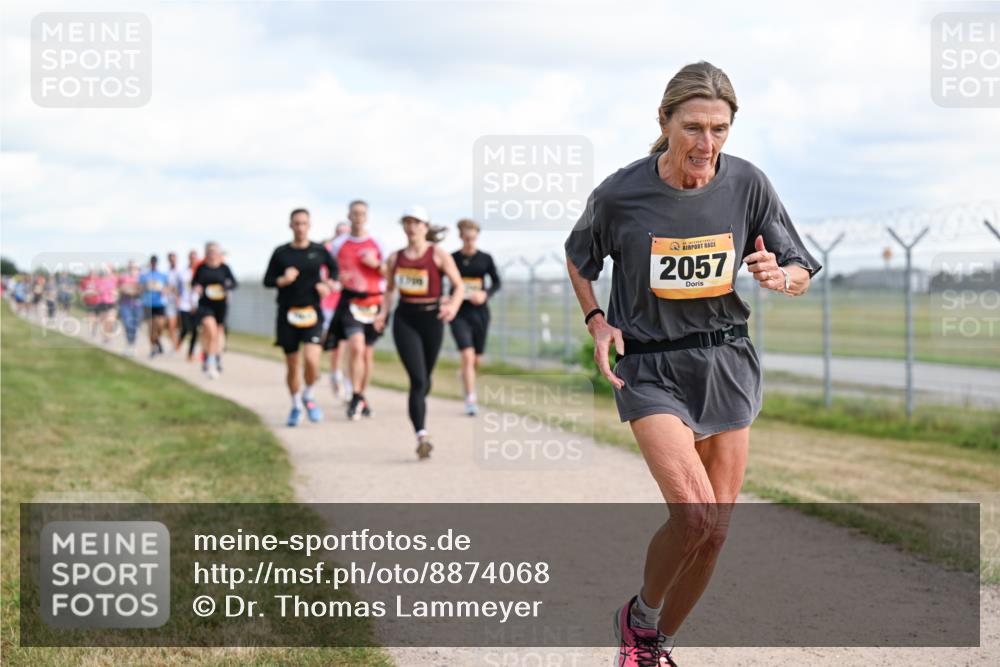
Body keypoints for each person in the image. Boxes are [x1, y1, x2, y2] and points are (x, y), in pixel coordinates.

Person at [564, 61, 820, 667]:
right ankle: (639, 619)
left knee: (716, 533)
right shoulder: (621, 193)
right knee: (695, 513)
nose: (707, 144)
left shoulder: (747, 184)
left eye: (721, 130)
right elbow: (580, 257)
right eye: (695, 128)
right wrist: (596, 320)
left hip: (725, 361)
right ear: (665, 122)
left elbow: (800, 265)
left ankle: (657, 648)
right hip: (648, 366)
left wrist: (781, 277)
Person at [374, 206, 464, 460]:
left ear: (425, 226)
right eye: (407, 222)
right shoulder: (395, 258)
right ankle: (421, 435)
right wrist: (383, 314)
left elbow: (458, 286)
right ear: (403, 226)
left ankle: (419, 410)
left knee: (426, 378)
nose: (411, 226)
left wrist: (453, 306)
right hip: (405, 319)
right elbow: (390, 290)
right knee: (418, 379)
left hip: (432, 319)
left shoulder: (438, 255)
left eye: (416, 222)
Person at [263, 208, 339, 427]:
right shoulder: (281, 253)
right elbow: (267, 280)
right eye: (296, 223)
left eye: (304, 223)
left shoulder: (319, 250)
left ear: (309, 225)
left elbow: (335, 271)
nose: (300, 227)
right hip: (287, 313)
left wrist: (327, 284)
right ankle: (296, 405)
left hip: (312, 312)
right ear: (290, 225)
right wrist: (283, 280)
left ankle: (309, 394)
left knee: (312, 360)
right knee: (293, 364)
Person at [326, 201, 386, 420]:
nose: (359, 217)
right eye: (355, 213)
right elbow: (328, 271)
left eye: (362, 214)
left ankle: (360, 395)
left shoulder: (378, 243)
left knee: (368, 354)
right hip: (351, 301)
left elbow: (391, 272)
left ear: (367, 217)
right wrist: (335, 279)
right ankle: (355, 393)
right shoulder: (339, 244)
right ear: (349, 216)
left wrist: (375, 264)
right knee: (356, 347)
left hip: (374, 303)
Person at [449, 218, 501, 416]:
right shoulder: (452, 258)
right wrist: (445, 298)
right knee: (466, 354)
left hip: (479, 312)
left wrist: (485, 294)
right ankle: (470, 398)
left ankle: (466, 373)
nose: (469, 241)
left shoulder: (485, 258)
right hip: (458, 311)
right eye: (466, 237)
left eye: (472, 237)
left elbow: (497, 282)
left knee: (476, 359)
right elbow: (441, 280)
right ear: (461, 236)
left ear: (477, 236)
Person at [192, 242, 237, 379]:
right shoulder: (201, 268)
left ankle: (213, 356)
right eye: (210, 251)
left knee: (216, 333)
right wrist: (197, 287)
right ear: (206, 252)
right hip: (205, 305)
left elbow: (233, 283)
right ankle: (211, 365)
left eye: (215, 251)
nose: (212, 253)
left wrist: (227, 287)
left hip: (220, 305)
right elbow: (195, 282)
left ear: (218, 253)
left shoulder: (225, 268)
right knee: (210, 331)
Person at [322, 221, 350, 400]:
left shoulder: (351, 251)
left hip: (348, 304)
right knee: (336, 346)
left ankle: (348, 383)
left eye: (345, 233)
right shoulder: (328, 250)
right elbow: (324, 277)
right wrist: (335, 283)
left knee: (351, 345)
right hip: (329, 305)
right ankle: (335, 375)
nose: (342, 235)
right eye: (339, 232)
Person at [140, 255, 170, 357]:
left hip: (160, 303)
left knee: (160, 325)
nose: (154, 264)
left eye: (155, 262)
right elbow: (140, 288)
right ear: (150, 263)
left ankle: (157, 340)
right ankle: (153, 348)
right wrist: (146, 287)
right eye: (152, 262)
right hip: (148, 303)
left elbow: (168, 286)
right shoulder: (144, 275)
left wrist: (165, 290)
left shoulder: (162, 275)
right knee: (151, 327)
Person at [176, 249, 200, 360]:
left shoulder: (201, 272)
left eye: (195, 258)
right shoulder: (183, 272)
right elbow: (178, 288)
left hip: (197, 304)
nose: (193, 260)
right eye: (192, 258)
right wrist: (178, 298)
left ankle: (190, 353)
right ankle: (179, 340)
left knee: (195, 330)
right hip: (184, 304)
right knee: (186, 328)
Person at [117, 261, 143, 356]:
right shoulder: (123, 277)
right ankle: (129, 344)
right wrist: (129, 290)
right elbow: (121, 289)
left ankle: (132, 345)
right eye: (131, 267)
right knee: (128, 324)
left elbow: (140, 290)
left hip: (137, 305)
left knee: (135, 326)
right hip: (125, 305)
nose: (133, 270)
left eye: (135, 268)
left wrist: (131, 290)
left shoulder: (140, 278)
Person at [164, 252, 184, 351]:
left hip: (182, 302)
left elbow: (183, 287)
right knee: (171, 325)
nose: (172, 261)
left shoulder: (181, 271)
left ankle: (178, 343)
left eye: (174, 259)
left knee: (182, 326)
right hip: (170, 302)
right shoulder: (166, 273)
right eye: (170, 259)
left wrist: (179, 296)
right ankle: (175, 345)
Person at [94, 265, 119, 344]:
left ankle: (109, 336)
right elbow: (96, 291)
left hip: (111, 303)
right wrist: (100, 291)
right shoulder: (98, 281)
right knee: (104, 321)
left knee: (111, 320)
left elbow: (116, 290)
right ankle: (105, 337)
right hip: (101, 303)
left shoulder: (113, 280)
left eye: (107, 272)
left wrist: (115, 294)